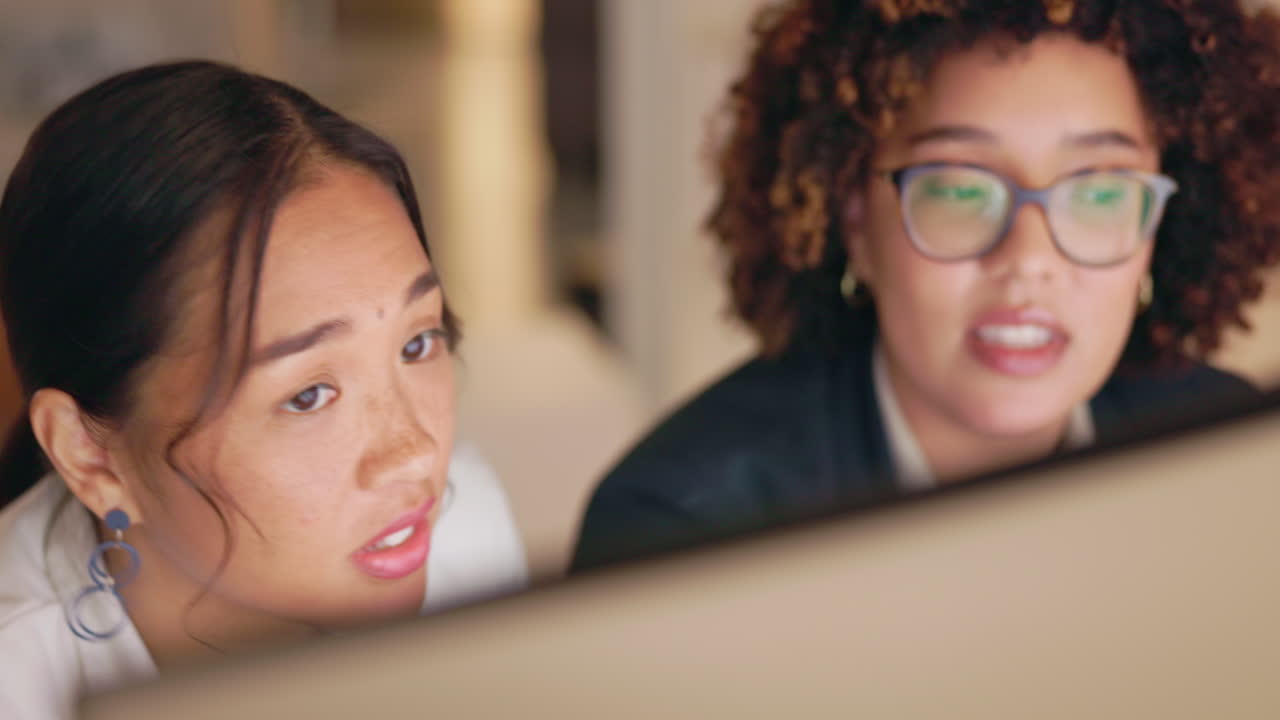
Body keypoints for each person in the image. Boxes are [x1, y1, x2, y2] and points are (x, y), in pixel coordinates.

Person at [572, 0, 1280, 571]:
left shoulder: (1234, 467)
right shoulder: (680, 527)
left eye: (1098, 192)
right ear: (854, 221)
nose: (1029, 258)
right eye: (961, 190)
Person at [0, 60, 528, 719]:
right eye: (307, 395)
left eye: (417, 342)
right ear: (90, 457)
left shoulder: (464, 530)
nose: (414, 455)